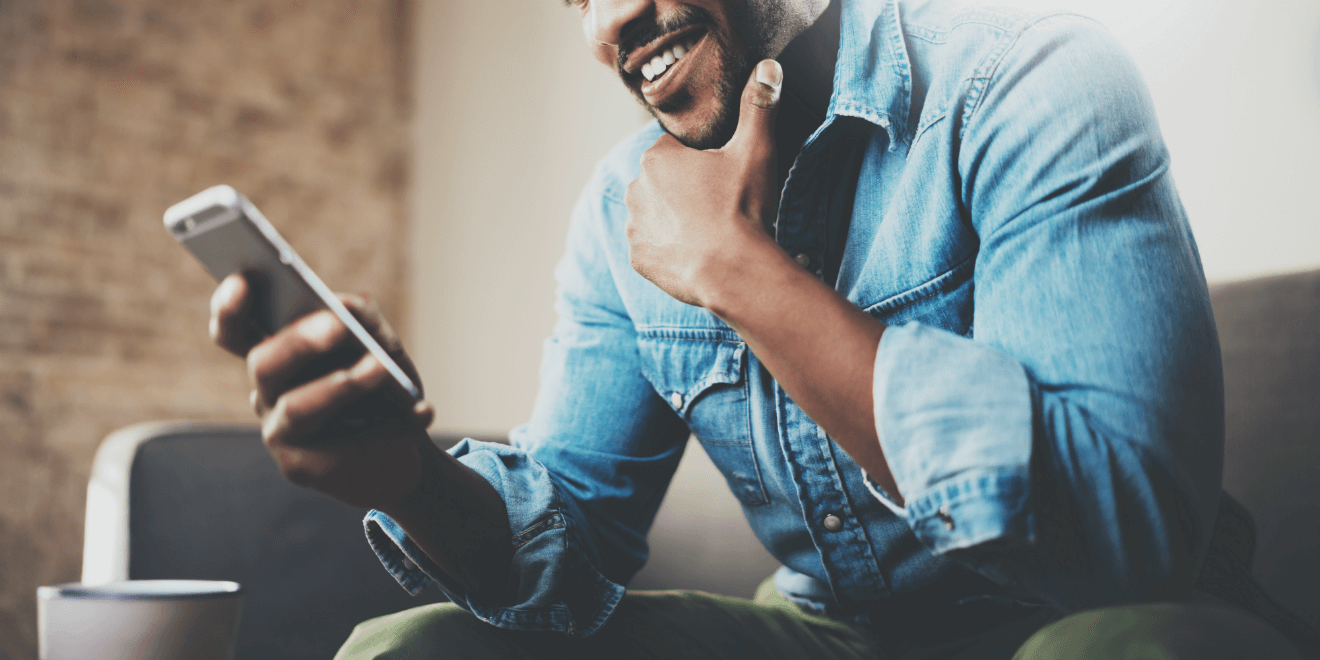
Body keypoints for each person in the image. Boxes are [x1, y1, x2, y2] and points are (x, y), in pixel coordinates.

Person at [210, 0, 1309, 657]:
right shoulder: (618, 212)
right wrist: (409, 476)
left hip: (1098, 623)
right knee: (415, 650)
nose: (606, 27)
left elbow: (1127, 548)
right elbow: (571, 554)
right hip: (837, 636)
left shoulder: (1028, 80)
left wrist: (743, 273)